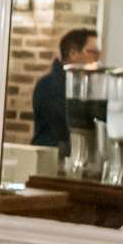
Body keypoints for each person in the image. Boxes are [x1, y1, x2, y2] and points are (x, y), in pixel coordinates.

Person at [29, 27, 99, 156]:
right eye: (93, 53)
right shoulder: (49, 86)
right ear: (73, 53)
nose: (97, 59)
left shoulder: (83, 86)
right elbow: (69, 127)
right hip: (51, 161)